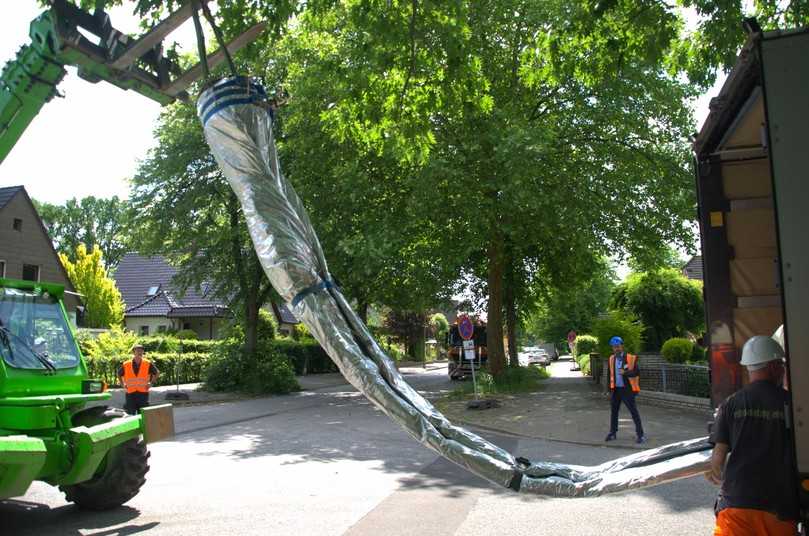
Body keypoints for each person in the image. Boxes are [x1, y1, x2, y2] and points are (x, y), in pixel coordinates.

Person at [706, 335, 799, 536]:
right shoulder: (792, 404)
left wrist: (715, 473)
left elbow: (718, 458)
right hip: (780, 507)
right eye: (781, 365)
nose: (783, 369)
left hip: (737, 505)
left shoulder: (731, 403)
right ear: (774, 366)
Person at [604, 336, 646, 444]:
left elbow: (637, 372)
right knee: (614, 412)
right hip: (616, 390)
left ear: (622, 346)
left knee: (633, 412)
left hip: (627, 390)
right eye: (614, 347)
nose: (616, 349)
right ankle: (613, 432)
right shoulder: (611, 359)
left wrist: (626, 373)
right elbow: (609, 375)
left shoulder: (630, 358)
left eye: (618, 346)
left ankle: (640, 435)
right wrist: (608, 390)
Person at [117, 344, 159, 415]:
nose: (140, 352)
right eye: (137, 350)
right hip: (130, 393)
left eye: (141, 351)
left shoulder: (147, 363)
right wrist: (122, 384)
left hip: (143, 393)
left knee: (143, 414)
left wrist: (151, 383)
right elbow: (119, 374)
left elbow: (157, 373)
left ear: (143, 352)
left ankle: (143, 426)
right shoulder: (126, 364)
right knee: (130, 414)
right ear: (134, 352)